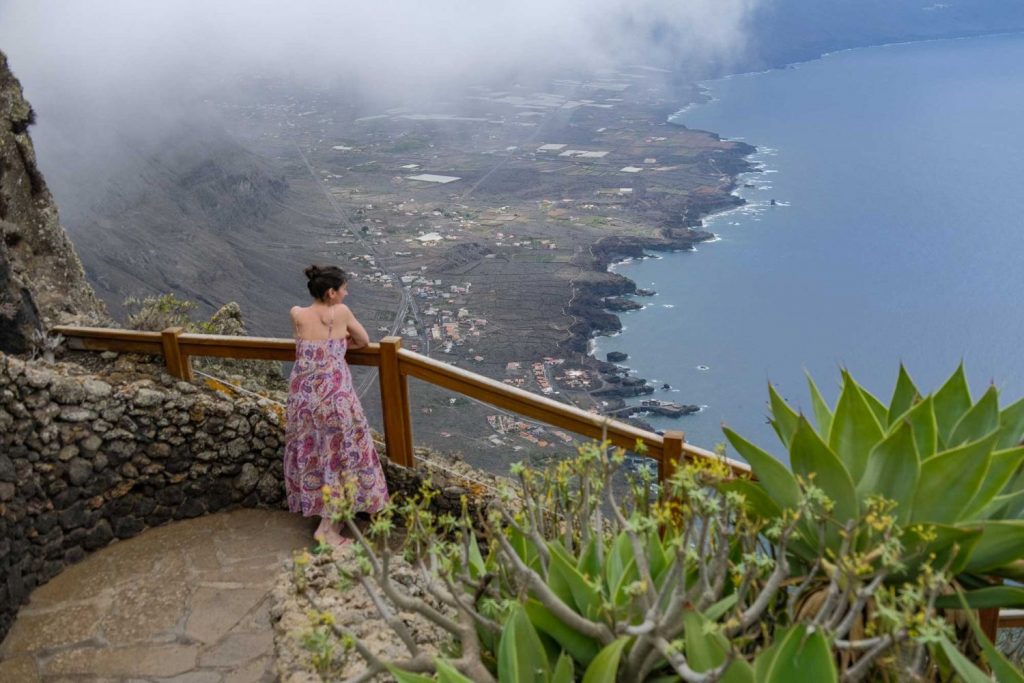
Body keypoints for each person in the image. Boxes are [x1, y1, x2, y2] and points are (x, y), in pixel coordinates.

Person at [284, 265, 389, 546]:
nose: (347, 292)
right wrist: (341, 346)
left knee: (317, 456)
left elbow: (302, 344)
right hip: (334, 397)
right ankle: (327, 531)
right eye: (343, 288)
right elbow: (364, 341)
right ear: (331, 293)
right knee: (340, 458)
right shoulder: (340, 313)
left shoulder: (297, 313)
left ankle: (332, 518)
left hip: (302, 397)